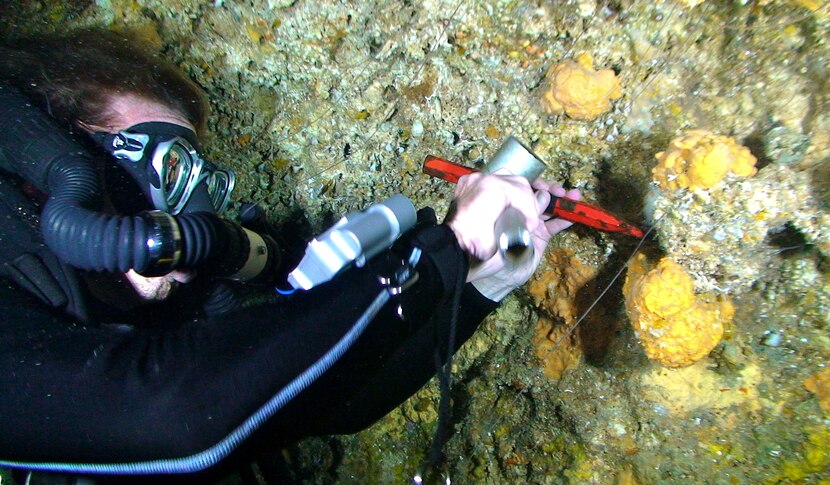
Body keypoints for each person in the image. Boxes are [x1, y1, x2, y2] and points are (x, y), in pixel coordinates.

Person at [0, 29, 580, 482]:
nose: (187, 215)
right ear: (46, 174)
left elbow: (337, 406)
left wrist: (483, 281)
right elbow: (170, 416)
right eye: (166, 168)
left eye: (195, 177)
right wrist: (447, 249)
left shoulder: (152, 305)